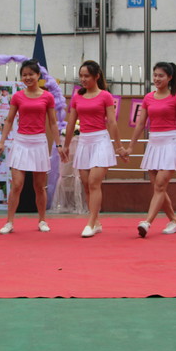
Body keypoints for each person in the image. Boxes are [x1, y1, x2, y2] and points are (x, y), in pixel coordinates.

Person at [124, 62, 176, 238]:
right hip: (154, 143)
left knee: (160, 185)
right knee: (158, 187)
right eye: (155, 75)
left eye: (161, 75)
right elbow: (141, 124)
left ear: (170, 77)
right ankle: (174, 221)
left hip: (170, 142)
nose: (157, 78)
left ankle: (147, 222)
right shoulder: (148, 98)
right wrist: (131, 146)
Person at [0, 59, 61, 234]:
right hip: (21, 142)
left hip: (39, 142)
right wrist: (1, 142)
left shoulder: (47, 97)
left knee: (39, 186)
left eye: (31, 74)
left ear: (38, 75)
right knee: (17, 185)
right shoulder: (17, 96)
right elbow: (9, 120)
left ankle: (42, 220)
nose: (28, 77)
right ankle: (9, 222)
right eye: (24, 75)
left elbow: (53, 123)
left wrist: (59, 144)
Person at [59, 60, 125, 237]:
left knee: (94, 182)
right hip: (84, 141)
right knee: (87, 185)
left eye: (86, 76)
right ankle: (96, 222)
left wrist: (119, 146)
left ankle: (90, 223)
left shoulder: (105, 96)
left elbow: (112, 122)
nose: (83, 79)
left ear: (96, 76)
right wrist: (66, 146)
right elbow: (71, 122)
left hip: (101, 141)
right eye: (81, 76)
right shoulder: (77, 97)